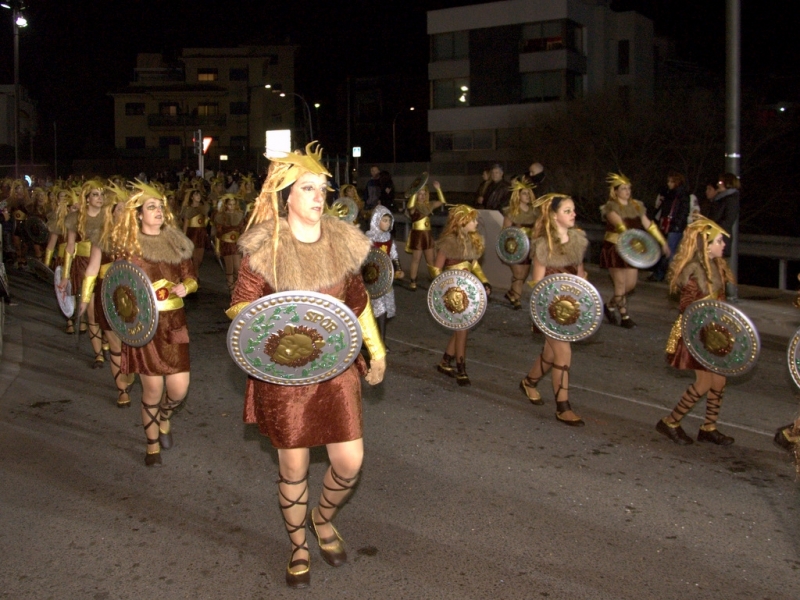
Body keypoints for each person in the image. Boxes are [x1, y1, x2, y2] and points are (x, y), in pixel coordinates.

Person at [227, 142, 385, 589]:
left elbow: (357, 303)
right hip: (284, 375)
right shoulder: (264, 247)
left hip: (336, 372)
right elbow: (241, 306)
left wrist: (378, 351)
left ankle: (322, 518)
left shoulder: (342, 241)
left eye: (321, 189)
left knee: (349, 462)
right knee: (293, 470)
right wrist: (267, 325)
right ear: (286, 197)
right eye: (308, 188)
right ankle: (298, 544)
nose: (319, 197)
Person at [111, 181, 198, 466]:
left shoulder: (176, 241)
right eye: (151, 207)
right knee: (152, 390)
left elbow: (191, 275)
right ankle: (151, 446)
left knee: (179, 389)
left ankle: (165, 416)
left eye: (160, 207)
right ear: (139, 215)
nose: (158, 211)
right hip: (144, 328)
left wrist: (188, 286)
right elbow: (118, 288)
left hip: (174, 323)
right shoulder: (129, 247)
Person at [656, 217, 736, 446]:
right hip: (695, 334)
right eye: (719, 241)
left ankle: (709, 427)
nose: (723, 245)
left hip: (712, 335)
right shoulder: (694, 272)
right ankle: (670, 422)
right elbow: (686, 307)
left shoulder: (717, 267)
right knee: (703, 383)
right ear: (706, 245)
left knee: (719, 381)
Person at [520, 193, 588, 426]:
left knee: (550, 355)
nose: (573, 214)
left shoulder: (578, 241)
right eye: (567, 210)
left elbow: (580, 276)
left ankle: (528, 382)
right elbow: (537, 283)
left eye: (573, 210)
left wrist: (581, 296)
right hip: (549, 308)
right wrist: (555, 294)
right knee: (563, 354)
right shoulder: (543, 246)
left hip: (571, 310)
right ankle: (563, 406)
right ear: (554, 215)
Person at [76, 182, 137, 408]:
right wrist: (84, 299)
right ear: (110, 211)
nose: (122, 212)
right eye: (118, 208)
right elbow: (92, 268)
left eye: (126, 208)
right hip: (107, 291)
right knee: (115, 343)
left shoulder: (141, 236)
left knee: (134, 342)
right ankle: (121, 390)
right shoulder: (101, 235)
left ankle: (131, 370)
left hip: (134, 293)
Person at [599, 173, 669, 328]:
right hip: (615, 248)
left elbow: (649, 225)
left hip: (631, 250)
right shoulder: (611, 207)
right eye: (623, 188)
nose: (627, 191)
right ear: (615, 191)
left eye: (628, 188)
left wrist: (662, 242)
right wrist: (634, 239)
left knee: (630, 286)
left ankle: (610, 306)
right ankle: (625, 316)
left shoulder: (637, 206)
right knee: (620, 285)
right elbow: (621, 227)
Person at [432, 205, 491, 386]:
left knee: (461, 329)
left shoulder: (472, 241)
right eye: (472, 220)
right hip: (452, 295)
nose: (475, 223)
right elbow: (436, 269)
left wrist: (484, 281)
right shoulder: (448, 242)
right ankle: (461, 368)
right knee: (463, 329)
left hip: (467, 292)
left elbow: (474, 266)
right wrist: (444, 290)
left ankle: (445, 361)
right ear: (462, 222)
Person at [62, 180, 109, 360]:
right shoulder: (76, 217)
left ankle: (107, 338)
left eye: (101, 194)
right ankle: (98, 354)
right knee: (90, 310)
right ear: (87, 198)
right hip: (83, 264)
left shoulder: (108, 217)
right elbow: (70, 246)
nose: (99, 198)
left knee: (105, 308)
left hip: (105, 263)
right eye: (95, 194)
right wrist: (65, 275)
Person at [365, 205, 404, 346]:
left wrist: (398, 269)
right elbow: (365, 259)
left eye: (389, 220)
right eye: (384, 220)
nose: (387, 223)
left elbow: (394, 255)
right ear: (376, 220)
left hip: (386, 280)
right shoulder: (368, 238)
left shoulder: (388, 238)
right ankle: (380, 343)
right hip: (372, 281)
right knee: (380, 310)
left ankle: (374, 338)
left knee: (388, 310)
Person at [501, 179, 537, 309]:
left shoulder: (534, 212)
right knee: (518, 274)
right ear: (518, 195)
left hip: (529, 247)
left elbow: (537, 230)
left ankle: (512, 293)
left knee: (524, 274)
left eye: (529, 193)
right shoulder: (512, 211)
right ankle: (516, 298)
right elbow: (505, 231)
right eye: (524, 194)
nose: (527, 196)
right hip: (514, 248)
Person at [405, 180, 446, 290]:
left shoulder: (429, 205)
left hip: (427, 235)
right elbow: (410, 206)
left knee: (431, 260)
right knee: (416, 259)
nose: (422, 196)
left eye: (424, 194)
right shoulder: (413, 207)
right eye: (420, 194)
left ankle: (435, 279)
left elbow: (442, 201)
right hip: (417, 235)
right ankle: (413, 280)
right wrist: (414, 191)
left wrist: (438, 189)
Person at [650, 171, 691, 282]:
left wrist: (677, 224)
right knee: (666, 249)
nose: (668, 184)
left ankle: (668, 275)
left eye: (671, 182)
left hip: (674, 226)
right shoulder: (670, 194)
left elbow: (683, 211)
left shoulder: (681, 195)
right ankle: (663, 274)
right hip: (668, 225)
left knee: (669, 251)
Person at [213, 193, 244, 292]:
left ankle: (237, 287)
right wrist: (217, 248)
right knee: (229, 268)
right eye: (230, 204)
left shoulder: (239, 215)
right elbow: (218, 234)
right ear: (226, 205)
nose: (232, 206)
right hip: (226, 244)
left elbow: (242, 231)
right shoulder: (221, 216)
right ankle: (231, 289)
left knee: (238, 268)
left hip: (236, 244)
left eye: (234, 204)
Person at [706, 173, 740, 257]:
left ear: (728, 183)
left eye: (720, 182)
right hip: (714, 236)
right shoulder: (720, 198)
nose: (718, 184)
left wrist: (713, 228)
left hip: (720, 239)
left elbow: (728, 220)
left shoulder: (731, 199)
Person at [181, 187, 209, 276]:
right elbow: (185, 224)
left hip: (202, 233)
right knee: (194, 257)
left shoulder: (203, 208)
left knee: (200, 259)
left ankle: (194, 273)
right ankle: (195, 276)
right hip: (192, 233)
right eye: (196, 195)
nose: (198, 196)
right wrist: (184, 238)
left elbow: (205, 222)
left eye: (199, 194)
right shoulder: (188, 209)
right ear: (192, 197)